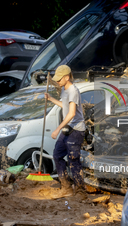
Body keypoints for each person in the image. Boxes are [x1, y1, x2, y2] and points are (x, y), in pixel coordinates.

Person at [45, 65, 87, 199]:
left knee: (73, 160)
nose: (57, 81)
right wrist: (51, 99)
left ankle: (80, 191)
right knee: (57, 155)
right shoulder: (64, 89)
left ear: (67, 77)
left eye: (59, 79)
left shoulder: (73, 91)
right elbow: (65, 106)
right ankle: (66, 187)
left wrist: (57, 129)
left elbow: (72, 113)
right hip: (67, 128)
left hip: (76, 129)